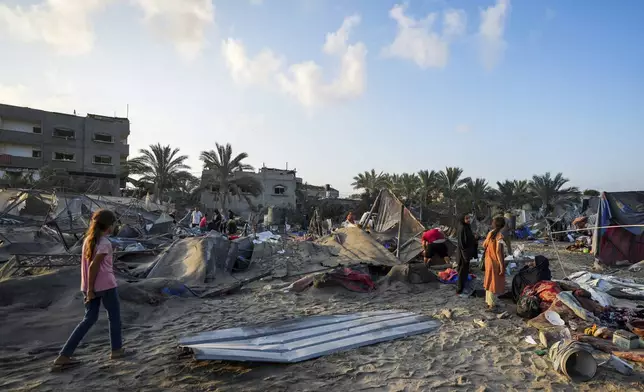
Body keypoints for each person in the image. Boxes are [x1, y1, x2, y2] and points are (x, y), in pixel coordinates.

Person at [52, 209, 130, 371]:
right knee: (114, 318)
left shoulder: (89, 240)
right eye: (114, 223)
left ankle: (64, 355)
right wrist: (90, 290)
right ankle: (116, 350)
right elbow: (94, 265)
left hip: (88, 286)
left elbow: (91, 265)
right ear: (109, 225)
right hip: (106, 285)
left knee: (88, 320)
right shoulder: (105, 243)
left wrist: (88, 289)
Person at [482, 216, 507, 312]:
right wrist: (501, 265)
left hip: (488, 260)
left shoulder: (490, 233)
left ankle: (489, 302)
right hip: (495, 262)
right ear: (503, 226)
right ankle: (492, 305)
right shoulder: (499, 236)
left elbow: (484, 245)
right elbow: (498, 252)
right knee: (493, 283)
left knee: (488, 281)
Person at [456, 214, 477, 294]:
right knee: (462, 271)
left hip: (466, 253)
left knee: (465, 271)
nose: (468, 220)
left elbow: (469, 238)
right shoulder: (462, 228)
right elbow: (462, 243)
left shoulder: (467, 227)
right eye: (466, 218)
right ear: (462, 219)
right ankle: (459, 289)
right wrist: (465, 255)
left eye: (469, 218)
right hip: (463, 254)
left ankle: (463, 286)